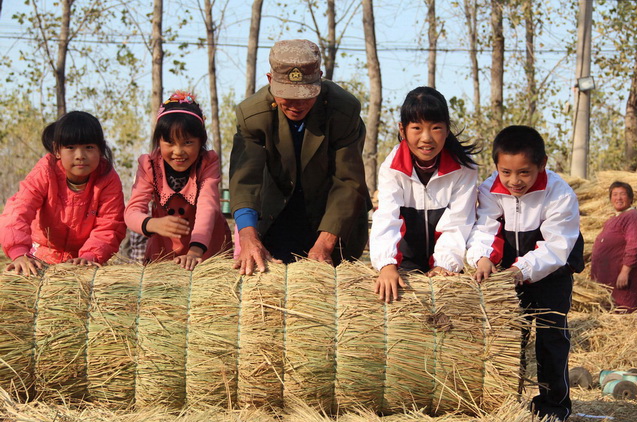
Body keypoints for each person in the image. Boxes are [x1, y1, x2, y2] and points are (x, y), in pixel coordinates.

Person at [466, 125, 584, 422]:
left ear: (542, 165)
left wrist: (522, 270)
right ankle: (505, 402)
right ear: (496, 166)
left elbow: (556, 247)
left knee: (551, 339)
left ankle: (553, 407)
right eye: (506, 172)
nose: (514, 181)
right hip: (507, 277)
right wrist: (482, 258)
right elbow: (484, 227)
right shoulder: (490, 189)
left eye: (524, 173)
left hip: (552, 276)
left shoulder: (560, 195)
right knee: (507, 338)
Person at [229, 39, 370, 274]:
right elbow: (245, 180)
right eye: (288, 96)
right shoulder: (252, 114)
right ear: (270, 80)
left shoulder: (344, 111)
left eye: (306, 95)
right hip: (277, 217)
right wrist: (248, 236)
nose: (297, 105)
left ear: (320, 80)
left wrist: (325, 244)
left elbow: (347, 180)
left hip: (332, 220)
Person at [370, 87, 479, 303]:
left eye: (436, 128)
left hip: (446, 262)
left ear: (447, 130)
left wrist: (444, 264)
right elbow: (387, 218)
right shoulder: (392, 168)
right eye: (417, 128)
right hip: (404, 259)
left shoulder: (464, 169)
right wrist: (387, 264)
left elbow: (458, 223)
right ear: (402, 129)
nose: (427, 138)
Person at [0, 111, 126, 276]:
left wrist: (91, 255)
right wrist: (19, 253)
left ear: (100, 150)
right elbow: (19, 209)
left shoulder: (108, 178)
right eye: (71, 148)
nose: (80, 156)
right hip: (40, 257)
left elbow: (110, 224)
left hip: (85, 262)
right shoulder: (45, 170)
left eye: (89, 147)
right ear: (57, 151)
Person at [125, 91, 232, 271]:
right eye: (170, 143)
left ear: (201, 142)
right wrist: (153, 224)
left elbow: (208, 206)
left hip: (207, 250)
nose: (178, 151)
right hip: (164, 252)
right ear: (159, 142)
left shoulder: (207, 162)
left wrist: (196, 250)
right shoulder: (149, 165)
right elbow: (132, 211)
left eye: (188, 143)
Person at [591, 181, 637, 312]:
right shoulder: (613, 219)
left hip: (619, 278)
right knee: (608, 311)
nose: (618, 198)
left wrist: (625, 272)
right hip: (607, 278)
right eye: (614, 194)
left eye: (622, 194)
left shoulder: (633, 217)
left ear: (631, 198)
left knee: (622, 309)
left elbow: (635, 246)